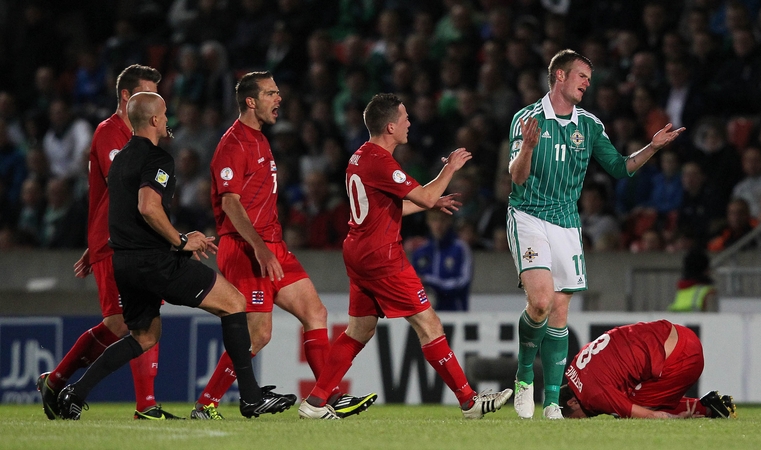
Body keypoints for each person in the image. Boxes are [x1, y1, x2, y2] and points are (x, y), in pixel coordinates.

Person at [54, 91, 282, 420]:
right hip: (155, 261)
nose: (167, 119)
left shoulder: (121, 160)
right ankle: (250, 398)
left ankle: (75, 392)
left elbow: (123, 213)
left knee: (145, 336)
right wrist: (180, 241)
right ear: (154, 120)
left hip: (125, 263)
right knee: (234, 302)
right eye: (163, 114)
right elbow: (148, 207)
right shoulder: (158, 159)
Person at [297, 93, 512, 420]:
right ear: (391, 126)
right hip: (381, 256)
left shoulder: (359, 157)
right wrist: (449, 170)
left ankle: (315, 401)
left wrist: (432, 201)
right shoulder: (381, 161)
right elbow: (424, 196)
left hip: (358, 249)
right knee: (429, 323)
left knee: (359, 330)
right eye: (405, 118)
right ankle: (469, 402)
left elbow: (393, 206)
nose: (410, 123)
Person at [507, 49, 685, 420]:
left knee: (559, 311)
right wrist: (527, 147)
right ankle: (525, 377)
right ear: (559, 75)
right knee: (539, 301)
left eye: (589, 77)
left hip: (567, 221)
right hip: (528, 215)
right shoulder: (527, 119)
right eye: (582, 75)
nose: (588, 83)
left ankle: (552, 401)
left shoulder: (588, 126)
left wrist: (652, 147)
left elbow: (621, 168)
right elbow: (517, 176)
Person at [195, 71, 375, 420]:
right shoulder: (233, 143)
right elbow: (230, 203)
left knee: (315, 313)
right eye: (271, 93)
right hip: (247, 249)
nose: (279, 99)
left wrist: (269, 245)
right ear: (251, 101)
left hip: (273, 246)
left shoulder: (260, 138)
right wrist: (260, 248)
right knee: (258, 334)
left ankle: (325, 397)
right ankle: (206, 404)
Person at [36, 65, 180, 420]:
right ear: (129, 98)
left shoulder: (137, 137)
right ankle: (62, 382)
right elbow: (127, 190)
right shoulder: (110, 133)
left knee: (137, 321)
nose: (158, 104)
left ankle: (137, 402)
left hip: (130, 240)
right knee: (125, 323)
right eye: (150, 95)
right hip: (117, 243)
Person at [559, 320, 736, 419]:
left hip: (683, 357)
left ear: (573, 402)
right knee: (628, 402)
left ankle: (708, 409)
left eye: (578, 419)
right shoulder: (576, 364)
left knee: (633, 414)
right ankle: (709, 403)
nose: (586, 419)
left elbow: (650, 417)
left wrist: (673, 420)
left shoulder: (593, 395)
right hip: (677, 333)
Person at [410, 209, 473, 311]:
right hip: (428, 318)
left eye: (442, 220)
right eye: (434, 220)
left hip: (455, 315)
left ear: (449, 221)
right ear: (428, 221)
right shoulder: (420, 252)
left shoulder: (460, 249)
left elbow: (463, 282)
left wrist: (431, 282)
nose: (438, 225)